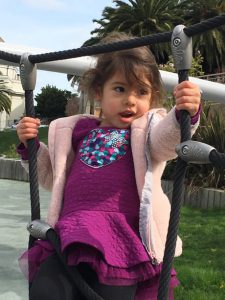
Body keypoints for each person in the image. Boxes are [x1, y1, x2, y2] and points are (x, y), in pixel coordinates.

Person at [16, 32, 201, 300]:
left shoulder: (146, 133)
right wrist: (31, 147)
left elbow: (168, 139)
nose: (131, 100)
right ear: (98, 92)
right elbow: (51, 177)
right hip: (70, 235)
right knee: (46, 291)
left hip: (121, 242)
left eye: (142, 92)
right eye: (120, 89)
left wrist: (185, 112)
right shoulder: (77, 131)